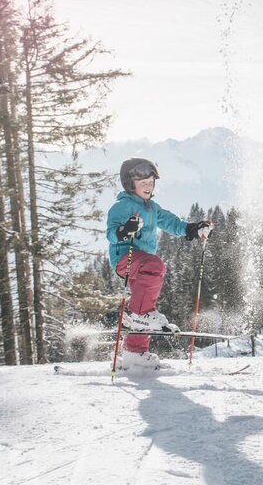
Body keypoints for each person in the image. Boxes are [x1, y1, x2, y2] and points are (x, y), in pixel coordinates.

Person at [107, 157, 212, 370]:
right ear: (130, 184)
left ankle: (134, 354)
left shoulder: (152, 208)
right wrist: (125, 229)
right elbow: (111, 233)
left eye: (151, 182)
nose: (148, 186)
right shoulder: (122, 206)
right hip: (124, 259)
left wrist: (192, 229)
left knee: (145, 307)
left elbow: (172, 223)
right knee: (156, 268)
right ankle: (140, 316)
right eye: (142, 182)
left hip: (143, 266)